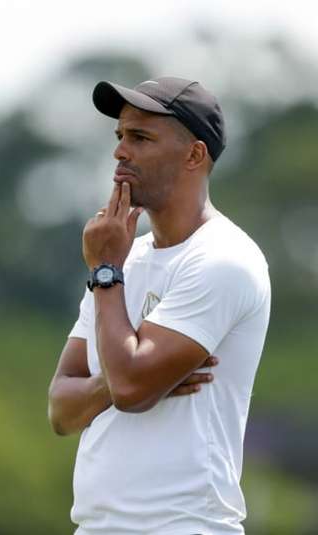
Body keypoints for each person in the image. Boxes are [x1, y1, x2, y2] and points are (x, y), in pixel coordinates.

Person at [48, 77, 271, 535]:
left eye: (141, 138)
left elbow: (130, 389)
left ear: (194, 155)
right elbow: (61, 409)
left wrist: (107, 273)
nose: (120, 152)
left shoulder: (222, 258)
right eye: (120, 137)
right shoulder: (122, 257)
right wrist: (121, 380)